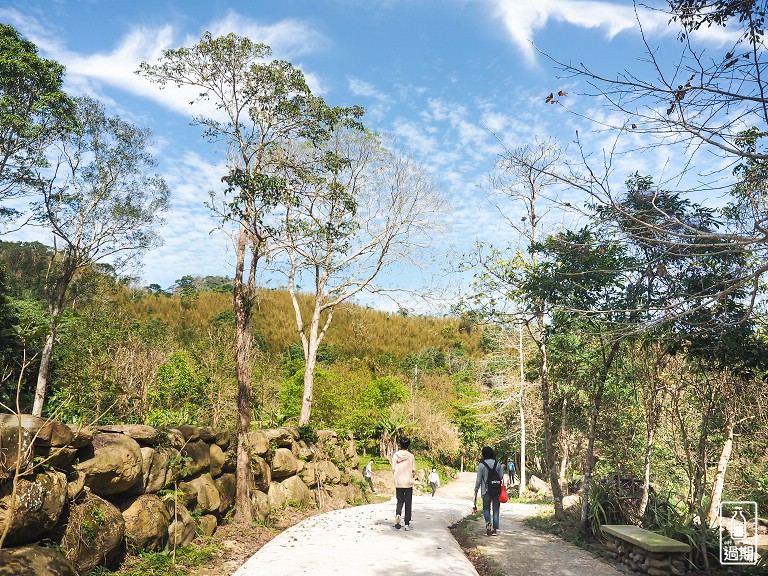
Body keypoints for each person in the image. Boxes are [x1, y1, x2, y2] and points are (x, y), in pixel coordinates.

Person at [474, 446, 504, 536]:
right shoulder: (497, 464)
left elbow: (479, 479)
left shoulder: (481, 465)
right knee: (496, 510)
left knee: (486, 509)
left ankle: (488, 522)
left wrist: (476, 489)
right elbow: (501, 476)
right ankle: (494, 530)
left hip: (486, 491)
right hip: (496, 490)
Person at [392, 437, 416, 531]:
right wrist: (412, 476)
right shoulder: (411, 456)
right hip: (408, 483)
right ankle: (406, 524)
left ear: (400, 444)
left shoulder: (396, 455)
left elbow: (393, 469)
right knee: (408, 503)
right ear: (408, 445)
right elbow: (413, 470)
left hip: (399, 483)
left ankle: (398, 514)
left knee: (399, 501)